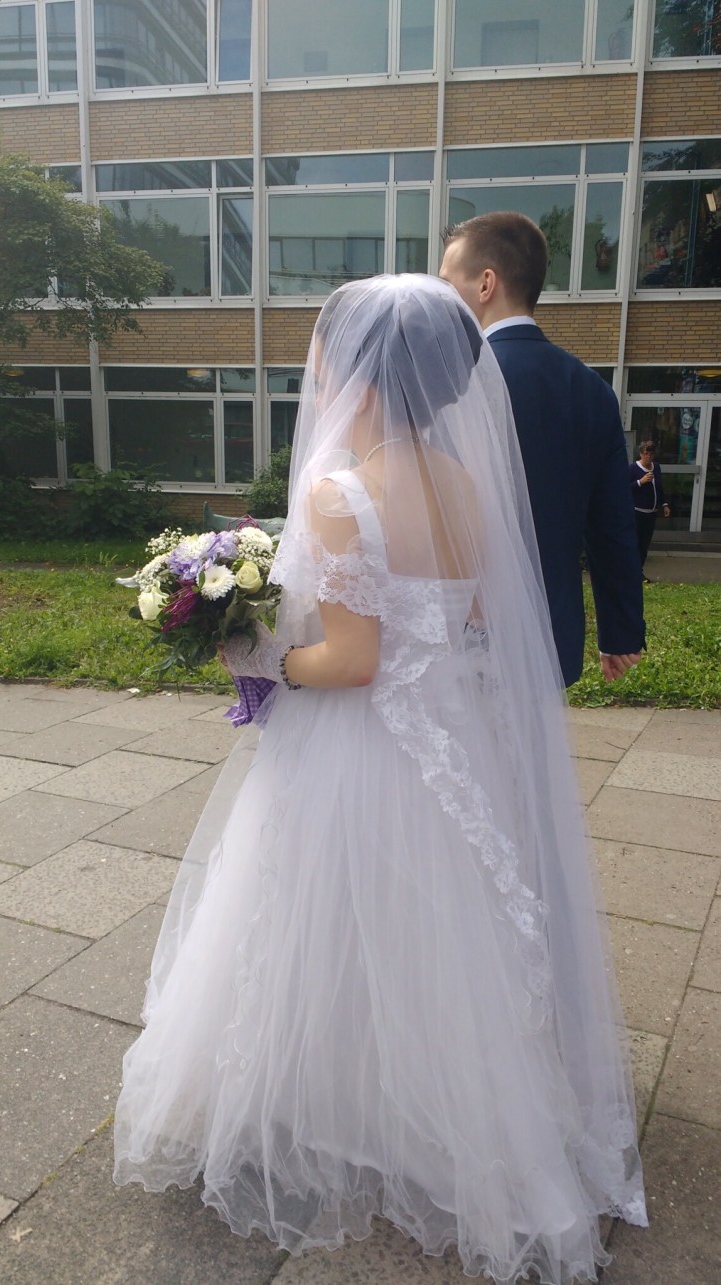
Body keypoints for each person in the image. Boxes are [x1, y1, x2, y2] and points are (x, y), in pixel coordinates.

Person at [114, 275, 646, 1283]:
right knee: (439, 926)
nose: (317, 371)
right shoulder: (466, 481)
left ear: (355, 371)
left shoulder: (340, 492)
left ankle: (333, 1099)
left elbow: (352, 660)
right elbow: (473, 618)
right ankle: (441, 1105)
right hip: (451, 738)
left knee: (321, 913)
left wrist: (261, 654)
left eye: (324, 354)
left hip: (360, 744)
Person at [440, 211, 645, 686]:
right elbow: (613, 524)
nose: (441, 299)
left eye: (448, 284)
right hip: (553, 634)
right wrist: (619, 631)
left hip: (461, 636)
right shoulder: (591, 389)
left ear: (486, 283)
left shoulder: (456, 382)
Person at [630, 439, 670, 582]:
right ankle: (631, 572)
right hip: (637, 512)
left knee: (644, 545)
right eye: (646, 454)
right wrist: (640, 482)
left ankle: (639, 571)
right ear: (641, 454)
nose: (648, 457)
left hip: (651, 513)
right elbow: (624, 488)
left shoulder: (656, 467)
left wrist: (664, 504)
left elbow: (659, 488)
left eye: (651, 454)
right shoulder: (633, 469)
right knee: (635, 543)